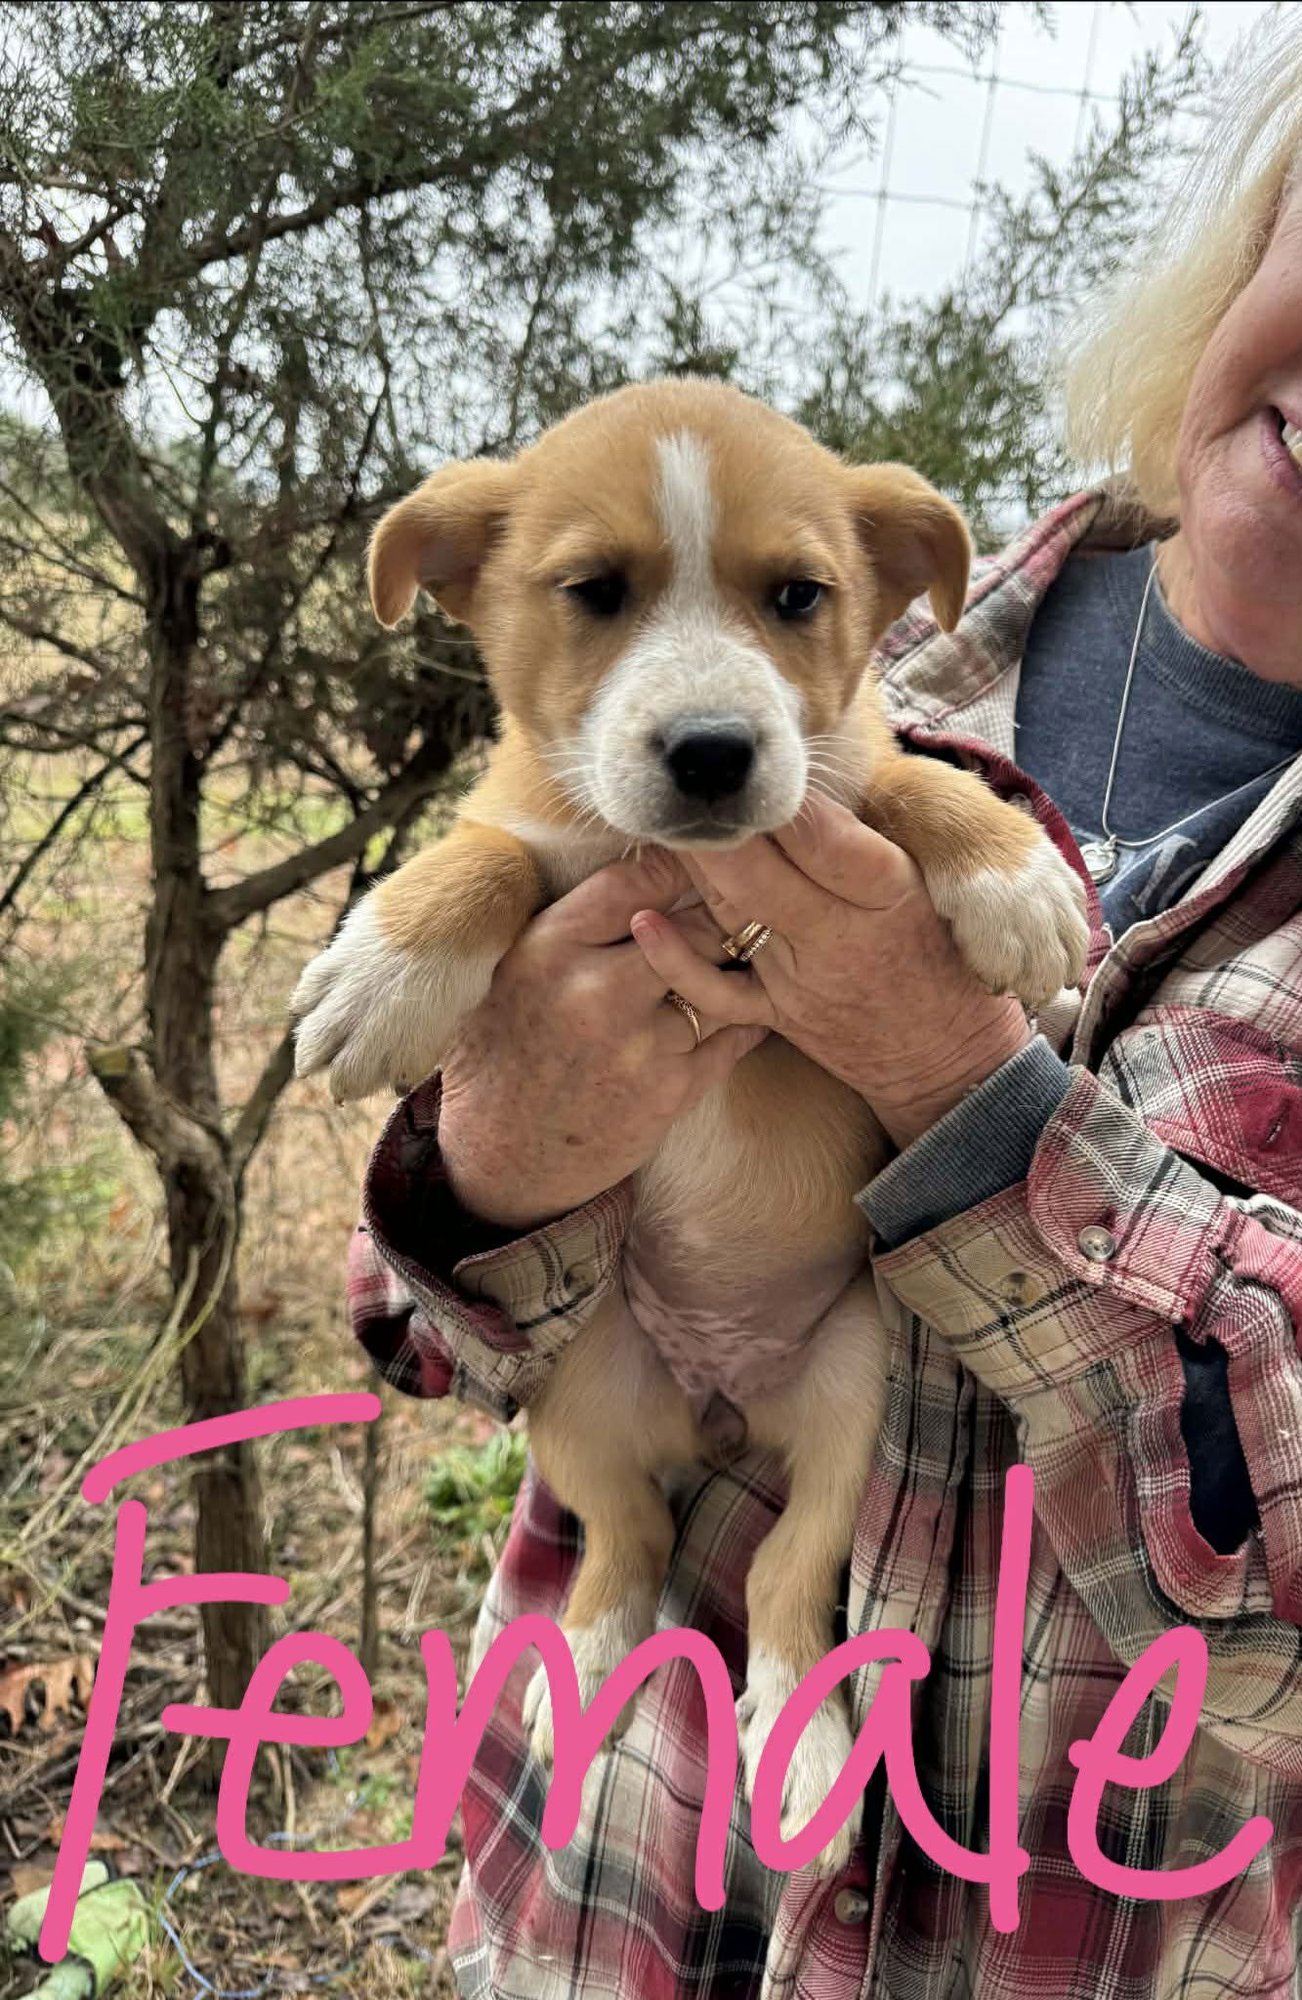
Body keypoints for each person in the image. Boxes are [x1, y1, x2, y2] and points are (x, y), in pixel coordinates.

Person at [347, 28, 1302, 1999]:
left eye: (782, 610)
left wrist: (957, 1084)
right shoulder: (886, 627)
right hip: (600, 1891)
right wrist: (487, 1155)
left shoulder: (850, 664)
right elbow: (419, 1334)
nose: (719, 677)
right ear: (1252, 233)